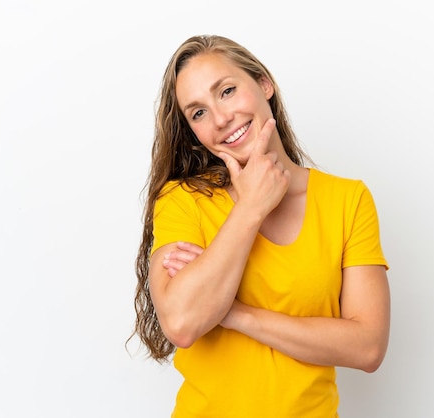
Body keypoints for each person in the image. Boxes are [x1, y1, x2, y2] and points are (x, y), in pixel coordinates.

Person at [131, 34, 391, 417]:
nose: (221, 119)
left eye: (228, 91)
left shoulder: (347, 200)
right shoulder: (182, 199)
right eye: (198, 113)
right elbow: (183, 324)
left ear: (264, 84)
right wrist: (251, 208)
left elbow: (368, 347)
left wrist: (235, 314)